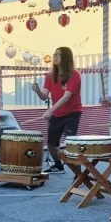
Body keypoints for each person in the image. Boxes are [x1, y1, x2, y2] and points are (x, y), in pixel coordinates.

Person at [31, 46, 83, 174]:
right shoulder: (50, 76)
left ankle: (78, 173)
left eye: (58, 54)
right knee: (51, 143)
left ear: (66, 58)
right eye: (54, 54)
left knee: (70, 141)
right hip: (57, 113)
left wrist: (50, 111)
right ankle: (58, 165)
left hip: (72, 113)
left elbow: (66, 97)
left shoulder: (74, 75)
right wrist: (37, 90)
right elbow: (44, 96)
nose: (55, 56)